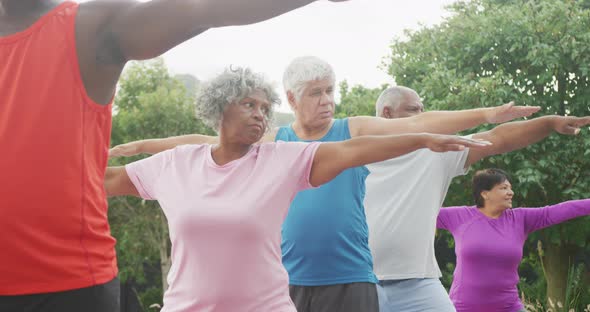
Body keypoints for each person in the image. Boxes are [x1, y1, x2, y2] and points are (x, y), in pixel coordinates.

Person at [108, 56, 539, 311]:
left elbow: (375, 144)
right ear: (293, 99)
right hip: (283, 283)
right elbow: (196, 144)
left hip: (347, 280)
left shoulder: (307, 147)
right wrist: (142, 143)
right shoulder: (259, 149)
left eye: (331, 91)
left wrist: (447, 129)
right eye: (316, 92)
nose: (327, 100)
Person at [0, 1, 348, 311]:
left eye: (261, 107)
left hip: (66, 286)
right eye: (248, 105)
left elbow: (203, 9)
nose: (257, 114)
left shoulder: (87, 29)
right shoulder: (179, 162)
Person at [364, 86, 590, 312]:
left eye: (425, 110)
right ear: (387, 113)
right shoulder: (354, 153)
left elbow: (498, 139)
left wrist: (549, 123)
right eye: (414, 110)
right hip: (360, 278)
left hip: (418, 283)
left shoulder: (436, 151)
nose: (424, 117)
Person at [436, 168, 590, 312]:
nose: (511, 192)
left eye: (510, 188)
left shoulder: (521, 219)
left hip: (508, 307)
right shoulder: (459, 216)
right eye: (504, 188)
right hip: (464, 307)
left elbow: (559, 211)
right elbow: (420, 212)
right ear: (485, 193)